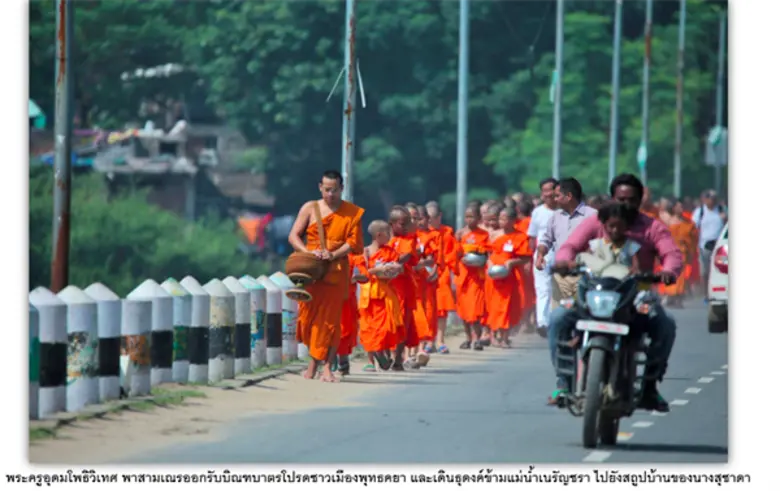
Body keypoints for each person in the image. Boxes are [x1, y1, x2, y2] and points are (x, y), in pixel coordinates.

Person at [548, 173, 683, 412]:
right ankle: (564, 383)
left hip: (636, 296)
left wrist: (668, 271)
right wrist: (564, 261)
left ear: (640, 200)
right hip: (595, 293)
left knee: (665, 323)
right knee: (558, 318)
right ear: (612, 199)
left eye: (631, 200)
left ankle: (650, 386)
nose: (625, 205)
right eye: (620, 199)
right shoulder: (597, 222)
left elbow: (670, 253)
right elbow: (570, 245)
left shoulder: (652, 227)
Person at [288, 170, 365, 383]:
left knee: (331, 322)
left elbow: (353, 243)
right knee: (308, 319)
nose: (330, 194)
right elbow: (293, 235)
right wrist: (307, 253)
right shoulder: (310, 208)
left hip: (336, 272)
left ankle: (327, 367)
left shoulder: (351, 212)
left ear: (342, 189)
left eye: (335, 190)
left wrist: (333, 254)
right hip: (312, 272)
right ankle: (313, 363)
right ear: (320, 187)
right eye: (327, 189)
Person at [536, 177, 597, 311]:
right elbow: (546, 240)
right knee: (558, 315)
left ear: (569, 196)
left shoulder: (593, 216)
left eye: (557, 196)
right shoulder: (556, 216)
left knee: (583, 313)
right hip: (560, 275)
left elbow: (598, 246)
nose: (555, 199)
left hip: (583, 275)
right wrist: (540, 254)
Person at [358, 220, 403, 372]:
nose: (390, 237)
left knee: (385, 328)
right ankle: (371, 360)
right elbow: (364, 272)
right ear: (378, 235)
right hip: (369, 295)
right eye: (387, 234)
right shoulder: (365, 252)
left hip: (385, 295)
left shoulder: (390, 251)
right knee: (368, 328)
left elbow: (398, 267)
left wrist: (394, 267)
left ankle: (382, 353)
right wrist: (379, 269)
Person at [485, 206, 532, 347]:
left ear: (512, 221)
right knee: (493, 306)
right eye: (500, 218)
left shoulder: (521, 236)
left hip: (511, 276)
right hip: (493, 276)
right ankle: (495, 335)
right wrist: (489, 263)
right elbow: (488, 254)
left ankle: (505, 336)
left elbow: (526, 257)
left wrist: (512, 262)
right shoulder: (494, 235)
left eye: (504, 219)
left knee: (507, 307)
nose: (501, 221)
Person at [388, 205, 422, 370]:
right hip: (387, 287)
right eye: (402, 223)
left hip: (404, 287)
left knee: (403, 324)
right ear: (392, 224)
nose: (406, 226)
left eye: (408, 223)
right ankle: (386, 356)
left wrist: (391, 264)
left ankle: (398, 359)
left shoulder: (410, 238)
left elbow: (406, 256)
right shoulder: (385, 239)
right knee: (387, 322)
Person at [455, 203, 490, 350]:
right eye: (467, 217)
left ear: (479, 218)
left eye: (472, 217)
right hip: (463, 276)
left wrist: (479, 255)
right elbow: (454, 253)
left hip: (476, 277)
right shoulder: (460, 234)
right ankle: (468, 338)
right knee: (463, 311)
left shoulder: (484, 234)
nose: (469, 220)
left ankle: (477, 338)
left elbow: (488, 253)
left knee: (475, 310)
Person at [527, 178, 558, 338]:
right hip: (542, 255)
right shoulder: (538, 212)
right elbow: (532, 237)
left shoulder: (565, 210)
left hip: (562, 255)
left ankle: (557, 321)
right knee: (542, 288)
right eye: (544, 191)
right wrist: (531, 258)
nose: (548, 194)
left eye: (551, 190)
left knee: (560, 288)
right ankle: (542, 322)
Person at [426, 201, 457, 354]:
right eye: (427, 218)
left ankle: (440, 340)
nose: (430, 221)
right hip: (426, 274)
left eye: (433, 217)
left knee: (441, 309)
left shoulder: (447, 232)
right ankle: (428, 341)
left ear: (440, 216)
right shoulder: (423, 233)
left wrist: (446, 267)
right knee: (427, 309)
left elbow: (453, 252)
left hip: (442, 273)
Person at [658, 199, 697, 308]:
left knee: (681, 277)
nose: (681, 209)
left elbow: (692, 239)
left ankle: (678, 297)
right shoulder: (668, 221)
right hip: (670, 252)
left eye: (682, 207)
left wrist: (691, 252)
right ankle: (670, 296)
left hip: (683, 252)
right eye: (679, 207)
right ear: (674, 208)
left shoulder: (688, 223)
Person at [335, 253, 369, 375]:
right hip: (327, 298)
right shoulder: (325, 251)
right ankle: (324, 364)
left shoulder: (355, 257)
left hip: (346, 300)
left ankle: (342, 362)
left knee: (344, 331)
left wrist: (355, 278)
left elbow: (365, 275)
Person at [692, 189, 727, 292]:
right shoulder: (700, 212)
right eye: (710, 198)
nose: (712, 200)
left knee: (719, 270)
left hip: (720, 245)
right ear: (705, 199)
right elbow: (693, 227)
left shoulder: (722, 209)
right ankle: (706, 292)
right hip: (704, 246)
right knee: (705, 272)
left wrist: (725, 218)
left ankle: (718, 290)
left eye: (714, 198)